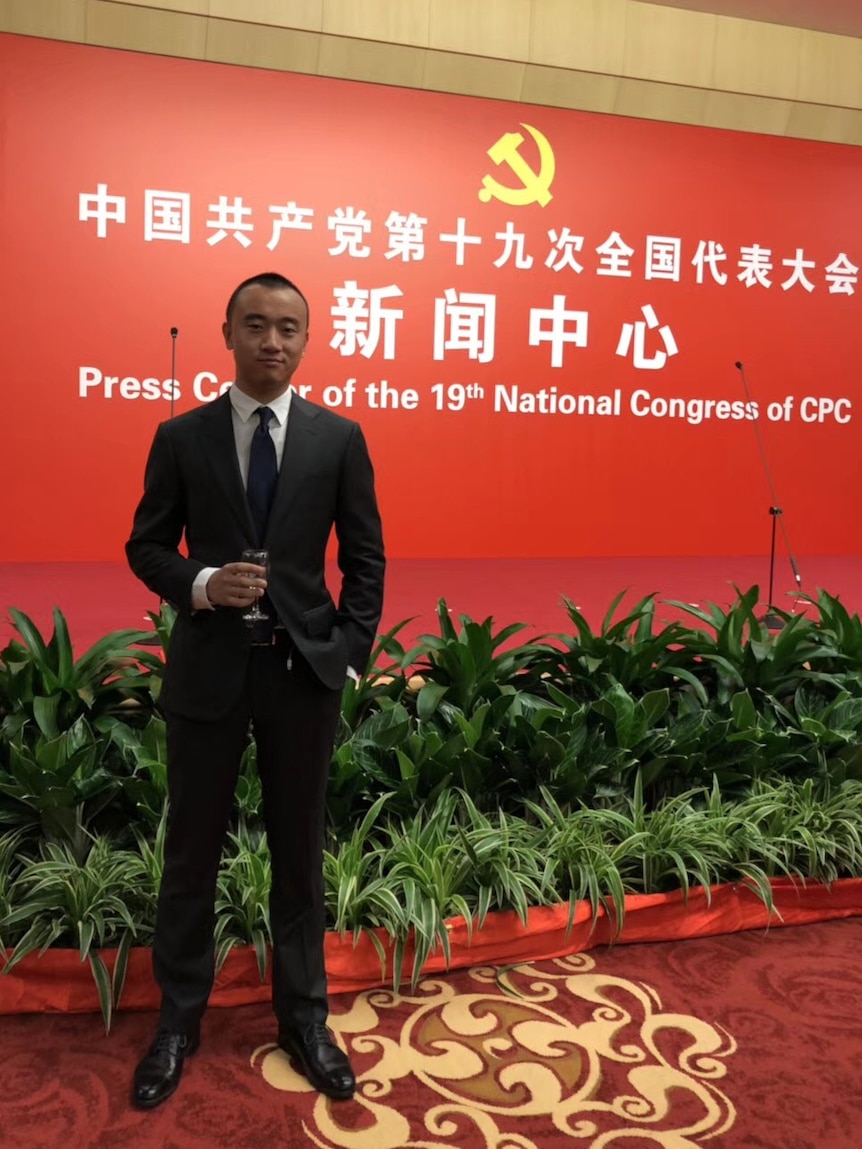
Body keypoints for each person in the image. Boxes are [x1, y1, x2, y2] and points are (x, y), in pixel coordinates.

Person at [125, 271, 385, 1109]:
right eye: (256, 325)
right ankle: (179, 1019)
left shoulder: (338, 438)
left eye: (288, 328)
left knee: (299, 857)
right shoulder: (182, 436)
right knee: (191, 851)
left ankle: (304, 1017)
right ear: (228, 333)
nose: (272, 341)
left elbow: (367, 558)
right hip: (209, 671)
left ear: (307, 340)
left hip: (301, 676)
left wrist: (346, 652)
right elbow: (147, 545)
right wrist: (202, 583)